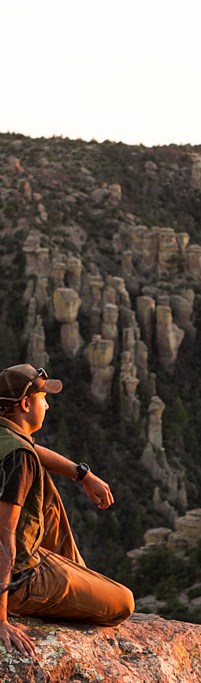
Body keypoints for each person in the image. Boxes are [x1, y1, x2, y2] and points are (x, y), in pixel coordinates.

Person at [0, 364, 134, 657]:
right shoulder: (19, 460)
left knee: (45, 488)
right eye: (42, 399)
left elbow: (31, 449)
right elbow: (4, 538)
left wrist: (83, 475)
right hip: (20, 581)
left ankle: (76, 582)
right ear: (25, 404)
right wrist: (1, 621)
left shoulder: (8, 440)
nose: (47, 405)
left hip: (23, 562)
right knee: (123, 602)